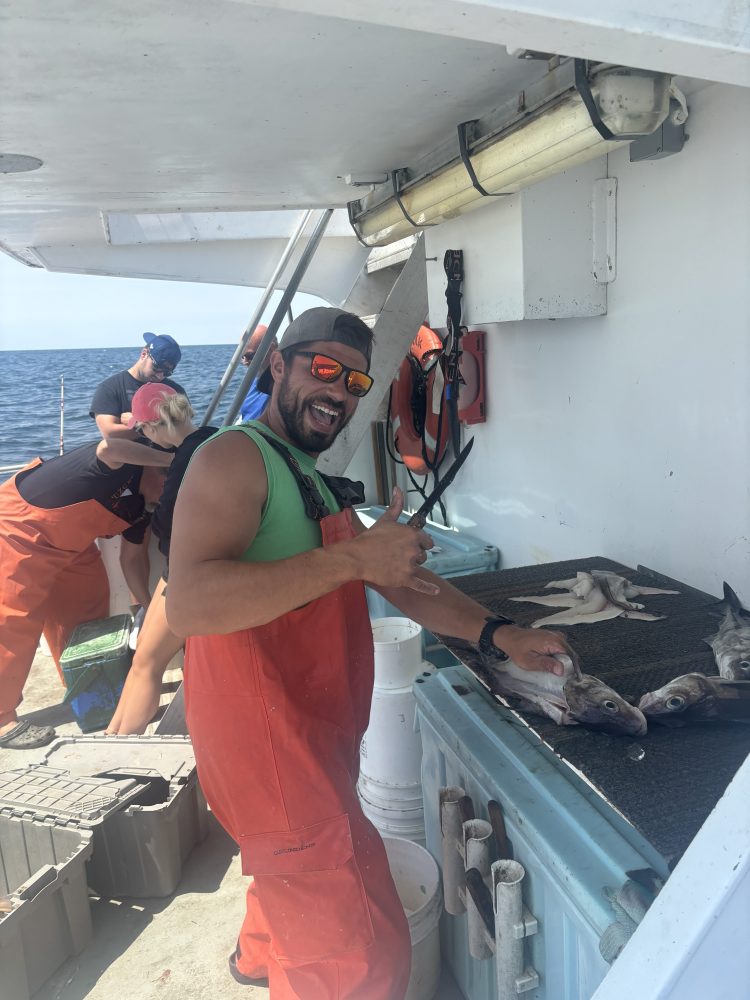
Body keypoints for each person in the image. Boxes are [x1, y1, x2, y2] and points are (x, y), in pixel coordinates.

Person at [166, 307, 573, 999]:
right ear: (277, 367)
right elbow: (191, 604)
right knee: (356, 959)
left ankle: (259, 954)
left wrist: (498, 636)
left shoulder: (307, 474)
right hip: (278, 763)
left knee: (287, 882)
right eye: (321, 369)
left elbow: (400, 580)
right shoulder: (234, 456)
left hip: (302, 740)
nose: (339, 391)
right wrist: (352, 557)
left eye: (353, 379)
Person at [0, 438, 172, 749]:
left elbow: (131, 561)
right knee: (13, 621)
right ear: (156, 469)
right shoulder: (120, 465)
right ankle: (1, 719)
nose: (165, 496)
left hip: (71, 546)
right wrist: (171, 456)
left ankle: (83, 683)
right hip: (18, 530)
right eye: (168, 484)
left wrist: (150, 610)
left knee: (89, 609)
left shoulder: (142, 509)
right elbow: (110, 447)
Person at [106, 384, 217, 735]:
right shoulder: (219, 438)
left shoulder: (185, 456)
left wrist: (150, 514)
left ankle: (116, 749)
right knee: (146, 662)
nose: (147, 437)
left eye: (143, 430)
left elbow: (167, 523)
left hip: (188, 575)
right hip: (211, 565)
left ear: (154, 426)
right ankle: (112, 740)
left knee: (146, 665)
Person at [89, 332, 186, 440]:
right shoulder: (109, 388)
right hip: (129, 453)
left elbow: (183, 429)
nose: (160, 376)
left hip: (168, 453)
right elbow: (110, 433)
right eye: (157, 367)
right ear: (144, 354)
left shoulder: (175, 391)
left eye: (167, 372)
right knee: (104, 449)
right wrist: (161, 428)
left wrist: (137, 424)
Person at [236, 324, 276, 422]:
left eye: (249, 356)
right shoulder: (253, 380)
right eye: (242, 357)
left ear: (270, 350)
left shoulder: (282, 385)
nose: (244, 362)